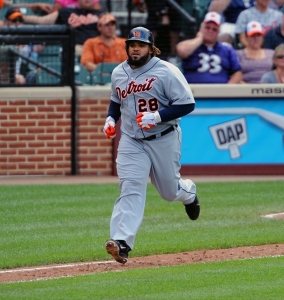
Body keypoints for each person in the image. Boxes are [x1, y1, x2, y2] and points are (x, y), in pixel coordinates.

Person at [103, 26, 200, 264]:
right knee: (131, 187)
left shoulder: (167, 71)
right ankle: (122, 242)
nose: (136, 48)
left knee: (169, 192)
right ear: (127, 47)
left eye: (141, 45)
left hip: (164, 137)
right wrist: (109, 119)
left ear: (150, 47)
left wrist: (157, 117)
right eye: (132, 45)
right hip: (131, 140)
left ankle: (188, 193)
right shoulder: (119, 72)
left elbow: (187, 104)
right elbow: (116, 100)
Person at [176, 12, 242, 84]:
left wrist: (226, 91)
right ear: (201, 28)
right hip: (193, 91)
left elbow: (237, 73)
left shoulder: (227, 49)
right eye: (207, 28)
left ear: (219, 32)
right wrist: (199, 38)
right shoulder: (192, 45)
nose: (210, 31)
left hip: (220, 92)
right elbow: (181, 50)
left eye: (214, 29)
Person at [21, 0, 103, 55]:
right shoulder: (66, 12)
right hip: (75, 49)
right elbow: (42, 20)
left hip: (95, 49)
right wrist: (21, 17)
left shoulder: (101, 15)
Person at [134, 0, 182, 64]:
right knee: (151, 25)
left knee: (175, 22)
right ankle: (151, 56)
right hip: (154, 4)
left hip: (173, 6)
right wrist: (138, 2)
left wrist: (164, 12)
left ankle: (173, 56)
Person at [3, 7, 44, 84]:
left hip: (21, 76)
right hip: (3, 75)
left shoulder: (27, 39)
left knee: (33, 75)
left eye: (20, 20)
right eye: (14, 20)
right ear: (6, 21)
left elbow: (39, 48)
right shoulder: (1, 38)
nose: (17, 23)